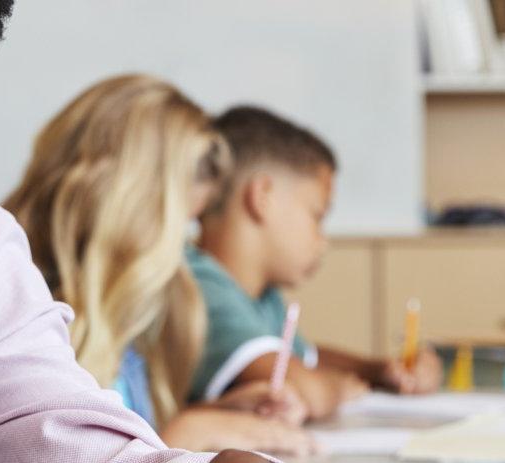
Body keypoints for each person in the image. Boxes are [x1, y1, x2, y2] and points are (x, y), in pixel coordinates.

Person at [3, 74, 316, 456]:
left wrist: (214, 415)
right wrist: (188, 434)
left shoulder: (118, 327)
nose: (184, 249)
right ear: (131, 205)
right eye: (180, 224)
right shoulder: (27, 325)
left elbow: (112, 444)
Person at [188, 106, 444, 419]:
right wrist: (337, 388)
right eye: (317, 215)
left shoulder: (259, 296)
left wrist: (381, 370)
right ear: (262, 196)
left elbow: (303, 359)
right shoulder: (199, 284)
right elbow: (304, 389)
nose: (322, 241)